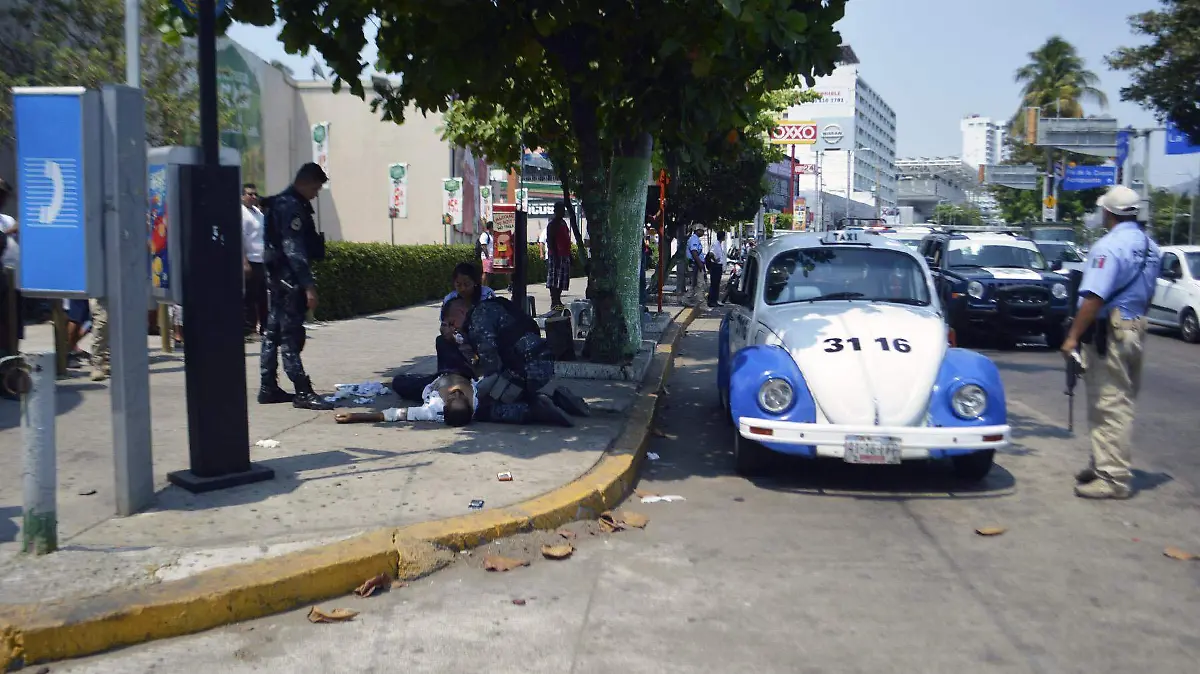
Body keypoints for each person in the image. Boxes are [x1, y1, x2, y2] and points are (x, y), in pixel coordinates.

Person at [1061, 184, 1160, 500]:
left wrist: (1072, 337)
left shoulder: (1108, 247)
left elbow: (1094, 297)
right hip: (1135, 327)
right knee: (1117, 401)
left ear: (1108, 213)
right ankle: (1101, 463)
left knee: (1110, 404)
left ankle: (1113, 478)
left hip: (1110, 332)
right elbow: (1149, 293)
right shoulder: (1151, 247)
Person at [258, 162, 333, 410]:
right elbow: (294, 250)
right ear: (307, 182)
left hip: (276, 279)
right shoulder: (291, 207)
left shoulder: (278, 203)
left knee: (272, 333)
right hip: (289, 281)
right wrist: (308, 286)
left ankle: (268, 386)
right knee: (290, 336)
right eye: (316, 188)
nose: (316, 194)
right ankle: (302, 390)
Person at [337, 372, 477, 427]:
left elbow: (396, 414)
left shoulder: (432, 410)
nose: (456, 393)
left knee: (398, 382)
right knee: (442, 341)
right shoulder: (478, 400)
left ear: (444, 406)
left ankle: (415, 378)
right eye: (461, 396)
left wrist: (355, 416)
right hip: (460, 370)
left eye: (453, 398)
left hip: (432, 382)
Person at [241, 183, 268, 339]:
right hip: (250, 259)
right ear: (242, 196)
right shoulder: (241, 213)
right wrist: (244, 262)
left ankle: (265, 327)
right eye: (249, 194)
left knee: (263, 296)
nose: (253, 197)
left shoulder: (258, 212)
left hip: (262, 259)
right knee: (250, 296)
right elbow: (240, 239)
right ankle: (249, 329)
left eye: (255, 194)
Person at [545, 202, 572, 311]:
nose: (563, 212)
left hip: (564, 255)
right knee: (554, 279)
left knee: (562, 280)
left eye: (563, 210)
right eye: (561, 210)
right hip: (556, 256)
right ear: (556, 211)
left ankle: (558, 300)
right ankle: (554, 301)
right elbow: (550, 241)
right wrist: (555, 256)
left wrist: (570, 255)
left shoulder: (563, 223)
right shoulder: (552, 224)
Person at [706, 230, 728, 308]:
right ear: (722, 237)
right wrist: (715, 260)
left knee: (716, 284)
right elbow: (711, 254)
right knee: (714, 284)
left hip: (718, 266)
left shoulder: (718, 244)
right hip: (715, 266)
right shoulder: (716, 244)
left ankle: (714, 300)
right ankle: (711, 301)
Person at [686, 226, 704, 302]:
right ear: (697, 230)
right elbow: (694, 252)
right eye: (702, 231)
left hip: (695, 263)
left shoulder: (695, 239)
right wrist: (700, 264)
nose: (703, 233)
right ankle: (700, 301)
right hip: (695, 263)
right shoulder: (694, 239)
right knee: (698, 283)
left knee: (695, 284)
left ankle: (688, 299)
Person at [477, 221, 495, 287]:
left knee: (490, 273)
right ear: (490, 227)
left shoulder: (491, 235)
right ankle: (482, 287)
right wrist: (487, 256)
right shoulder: (485, 235)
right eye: (493, 227)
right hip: (486, 257)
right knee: (486, 272)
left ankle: (487, 287)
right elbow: (483, 246)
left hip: (492, 257)